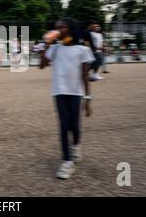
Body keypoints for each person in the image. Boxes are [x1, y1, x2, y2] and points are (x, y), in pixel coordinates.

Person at [44, 17, 95, 180]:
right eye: (57, 27)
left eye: (62, 27)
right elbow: (42, 64)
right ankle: (67, 162)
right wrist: (47, 44)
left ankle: (76, 146)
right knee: (64, 125)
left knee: (75, 125)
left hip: (76, 93)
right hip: (59, 91)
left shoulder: (82, 50)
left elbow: (85, 76)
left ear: (71, 30)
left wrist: (88, 99)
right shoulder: (56, 49)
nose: (58, 30)